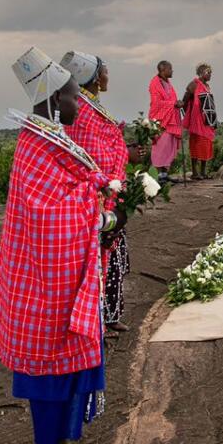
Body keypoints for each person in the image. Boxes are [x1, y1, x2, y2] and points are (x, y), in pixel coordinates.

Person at [0, 47, 116, 444]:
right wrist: (95, 212)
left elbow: (73, 189)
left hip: (65, 276)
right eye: (73, 96)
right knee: (49, 373)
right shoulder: (35, 144)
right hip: (43, 283)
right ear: (54, 98)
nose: (79, 103)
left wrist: (100, 198)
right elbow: (46, 214)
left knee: (70, 368)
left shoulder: (51, 136)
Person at [61, 51, 132, 335]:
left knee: (111, 256)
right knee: (100, 256)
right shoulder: (84, 111)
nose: (107, 76)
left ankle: (110, 313)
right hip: (98, 195)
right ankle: (97, 318)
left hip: (108, 191)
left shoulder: (89, 107)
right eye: (104, 72)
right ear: (92, 78)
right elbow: (94, 154)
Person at [148, 60, 183, 184]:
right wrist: (173, 103)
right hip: (160, 120)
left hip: (170, 120)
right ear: (163, 70)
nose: (172, 71)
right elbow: (156, 103)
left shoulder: (168, 83)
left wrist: (177, 104)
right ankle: (157, 176)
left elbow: (171, 100)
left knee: (168, 148)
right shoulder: (155, 83)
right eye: (170, 69)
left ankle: (164, 175)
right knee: (160, 148)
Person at [182, 63, 217, 180]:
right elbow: (185, 100)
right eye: (209, 72)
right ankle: (195, 172)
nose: (210, 75)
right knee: (196, 145)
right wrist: (190, 114)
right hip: (197, 121)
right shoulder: (194, 85)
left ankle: (203, 172)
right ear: (202, 73)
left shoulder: (207, 86)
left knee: (206, 145)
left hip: (207, 121)